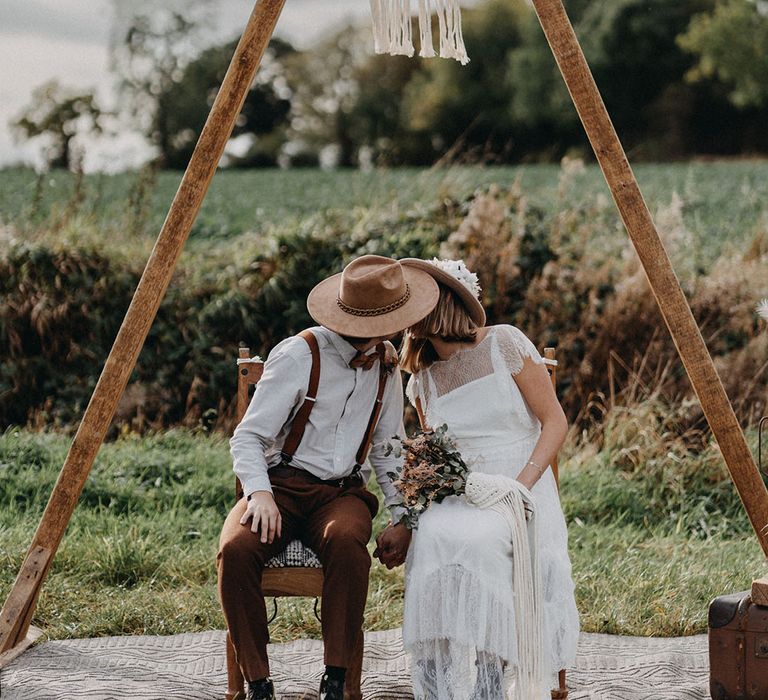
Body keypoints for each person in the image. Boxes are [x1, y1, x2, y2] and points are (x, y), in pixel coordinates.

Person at [218, 255, 438, 700]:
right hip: (279, 486)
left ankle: (335, 680)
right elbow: (248, 437)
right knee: (235, 551)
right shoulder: (300, 354)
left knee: (347, 544)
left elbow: (388, 447)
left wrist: (402, 516)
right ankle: (258, 681)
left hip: (342, 495)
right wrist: (258, 493)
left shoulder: (387, 365)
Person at [382, 257, 580, 699]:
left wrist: (519, 486)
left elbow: (555, 422)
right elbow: (430, 455)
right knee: (431, 537)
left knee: (482, 541)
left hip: (518, 482)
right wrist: (408, 515)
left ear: (444, 302)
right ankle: (436, 686)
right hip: (459, 490)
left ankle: (489, 685)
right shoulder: (423, 380)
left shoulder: (504, 343)